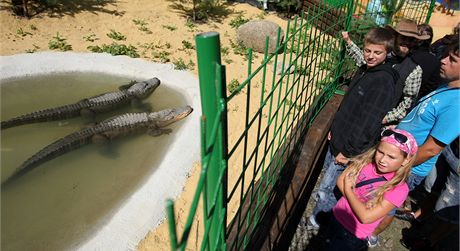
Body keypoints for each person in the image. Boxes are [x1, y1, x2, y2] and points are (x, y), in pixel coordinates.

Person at [306, 27, 400, 232]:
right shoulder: (367, 70)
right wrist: (335, 129)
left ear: (387, 53)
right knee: (328, 181)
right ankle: (324, 213)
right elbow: (351, 107)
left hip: (348, 147)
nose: (370, 56)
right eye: (367, 50)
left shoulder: (382, 81)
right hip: (340, 138)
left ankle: (318, 222)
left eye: (377, 52)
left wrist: (348, 151)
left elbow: (368, 123)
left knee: (329, 189)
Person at [369, 35, 460, 246]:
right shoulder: (447, 87)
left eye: (452, 59)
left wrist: (399, 166)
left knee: (387, 203)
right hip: (399, 157)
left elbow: (430, 149)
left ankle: (370, 235)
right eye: (446, 55)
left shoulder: (457, 104)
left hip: (408, 166)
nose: (443, 60)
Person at [324, 129, 418, 251]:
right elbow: (340, 181)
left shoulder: (399, 189)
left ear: (406, 160)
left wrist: (348, 189)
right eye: (380, 152)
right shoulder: (366, 161)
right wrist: (361, 205)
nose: (382, 160)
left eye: (391, 157)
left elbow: (365, 217)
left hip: (353, 233)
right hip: (337, 214)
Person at [342, 19, 429, 125]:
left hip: (376, 123)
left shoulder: (414, 70)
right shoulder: (383, 55)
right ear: (395, 37)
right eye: (403, 37)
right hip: (356, 110)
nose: (406, 42)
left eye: (410, 39)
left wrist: (383, 119)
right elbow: (364, 60)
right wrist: (349, 42)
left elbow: (408, 103)